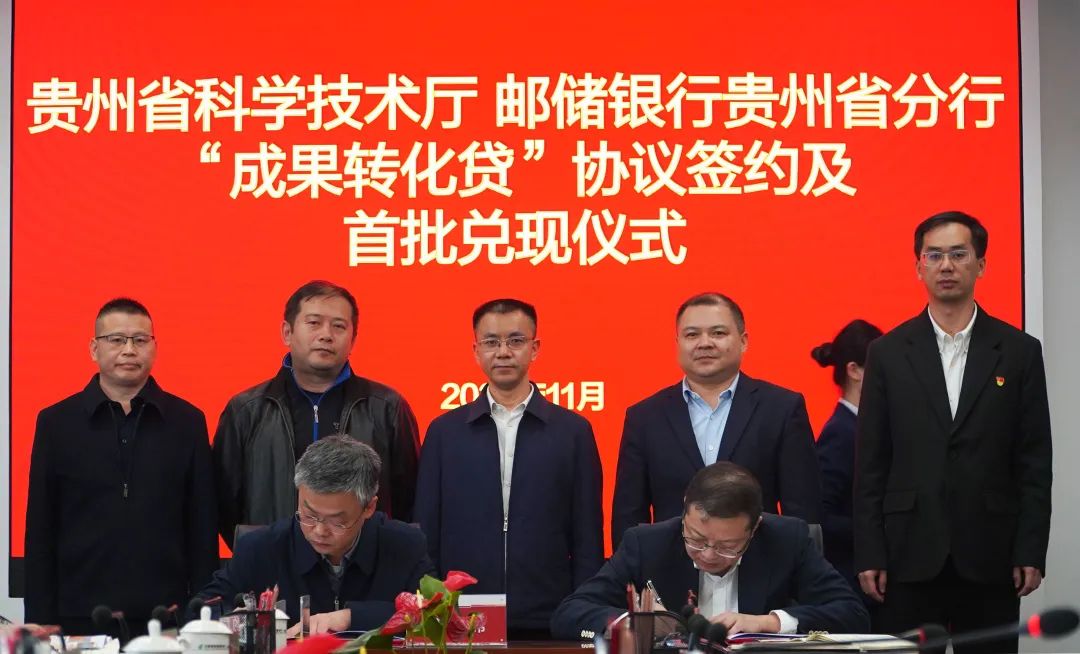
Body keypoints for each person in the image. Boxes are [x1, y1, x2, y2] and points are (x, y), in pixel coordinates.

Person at [854, 211, 1052, 653]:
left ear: (981, 265)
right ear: (918, 266)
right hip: (907, 553)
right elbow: (870, 462)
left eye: (959, 254)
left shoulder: (1018, 351)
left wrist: (1030, 549)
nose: (946, 266)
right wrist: (869, 552)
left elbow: (1034, 460)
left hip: (991, 551)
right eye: (934, 255)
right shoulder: (887, 352)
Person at [25, 298, 218, 635]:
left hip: (168, 617)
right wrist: (42, 621)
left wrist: (203, 617)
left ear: (154, 348)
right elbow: (41, 529)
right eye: (116, 340)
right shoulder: (56, 423)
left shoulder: (187, 421)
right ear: (93, 349)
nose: (129, 350)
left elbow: (202, 528)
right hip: (79, 617)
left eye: (140, 340)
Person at [414, 299, 604, 639]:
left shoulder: (572, 431)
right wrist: (435, 605)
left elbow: (587, 534)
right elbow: (427, 530)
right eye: (491, 342)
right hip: (462, 615)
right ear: (476, 351)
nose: (503, 352)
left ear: (535, 348)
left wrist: (583, 610)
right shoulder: (444, 432)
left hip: (551, 616)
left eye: (515, 341)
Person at [551, 462, 868, 639]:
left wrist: (769, 622)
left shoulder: (787, 539)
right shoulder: (646, 543)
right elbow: (569, 614)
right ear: (685, 511)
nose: (708, 554)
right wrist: (634, 623)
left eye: (727, 546)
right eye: (696, 539)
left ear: (755, 527)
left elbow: (852, 615)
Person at [212, 280, 420, 547]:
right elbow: (223, 502)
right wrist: (263, 552)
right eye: (314, 323)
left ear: (353, 339)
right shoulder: (246, 410)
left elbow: (408, 499)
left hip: (366, 564)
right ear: (287, 332)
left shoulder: (387, 407)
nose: (326, 335)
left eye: (339, 326)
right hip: (274, 561)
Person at [611, 292, 821, 549]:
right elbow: (629, 516)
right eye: (692, 335)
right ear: (678, 343)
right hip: (670, 566)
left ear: (743, 341)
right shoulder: (644, 417)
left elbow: (803, 511)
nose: (704, 343)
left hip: (760, 564)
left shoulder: (782, 408)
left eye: (718, 333)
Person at [196, 435, 434, 634]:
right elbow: (200, 612)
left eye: (337, 521)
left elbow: (437, 615)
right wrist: (233, 621)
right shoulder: (260, 549)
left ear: (369, 507)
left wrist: (351, 617)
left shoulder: (405, 546)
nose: (319, 531)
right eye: (309, 515)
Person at [810, 319, 883, 593]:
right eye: (881, 367)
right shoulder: (840, 432)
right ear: (854, 370)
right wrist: (878, 530)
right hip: (852, 580)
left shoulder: (863, 426)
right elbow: (823, 516)